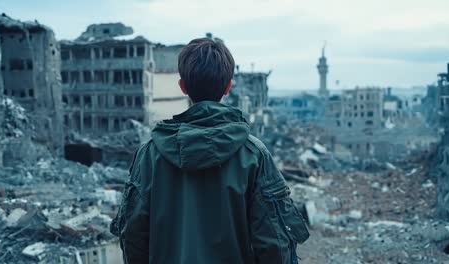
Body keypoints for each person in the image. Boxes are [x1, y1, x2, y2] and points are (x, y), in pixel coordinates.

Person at [110, 37, 309, 264]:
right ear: (228, 87)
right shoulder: (254, 155)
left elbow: (133, 235)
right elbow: (274, 244)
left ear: (182, 87)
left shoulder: (149, 155)